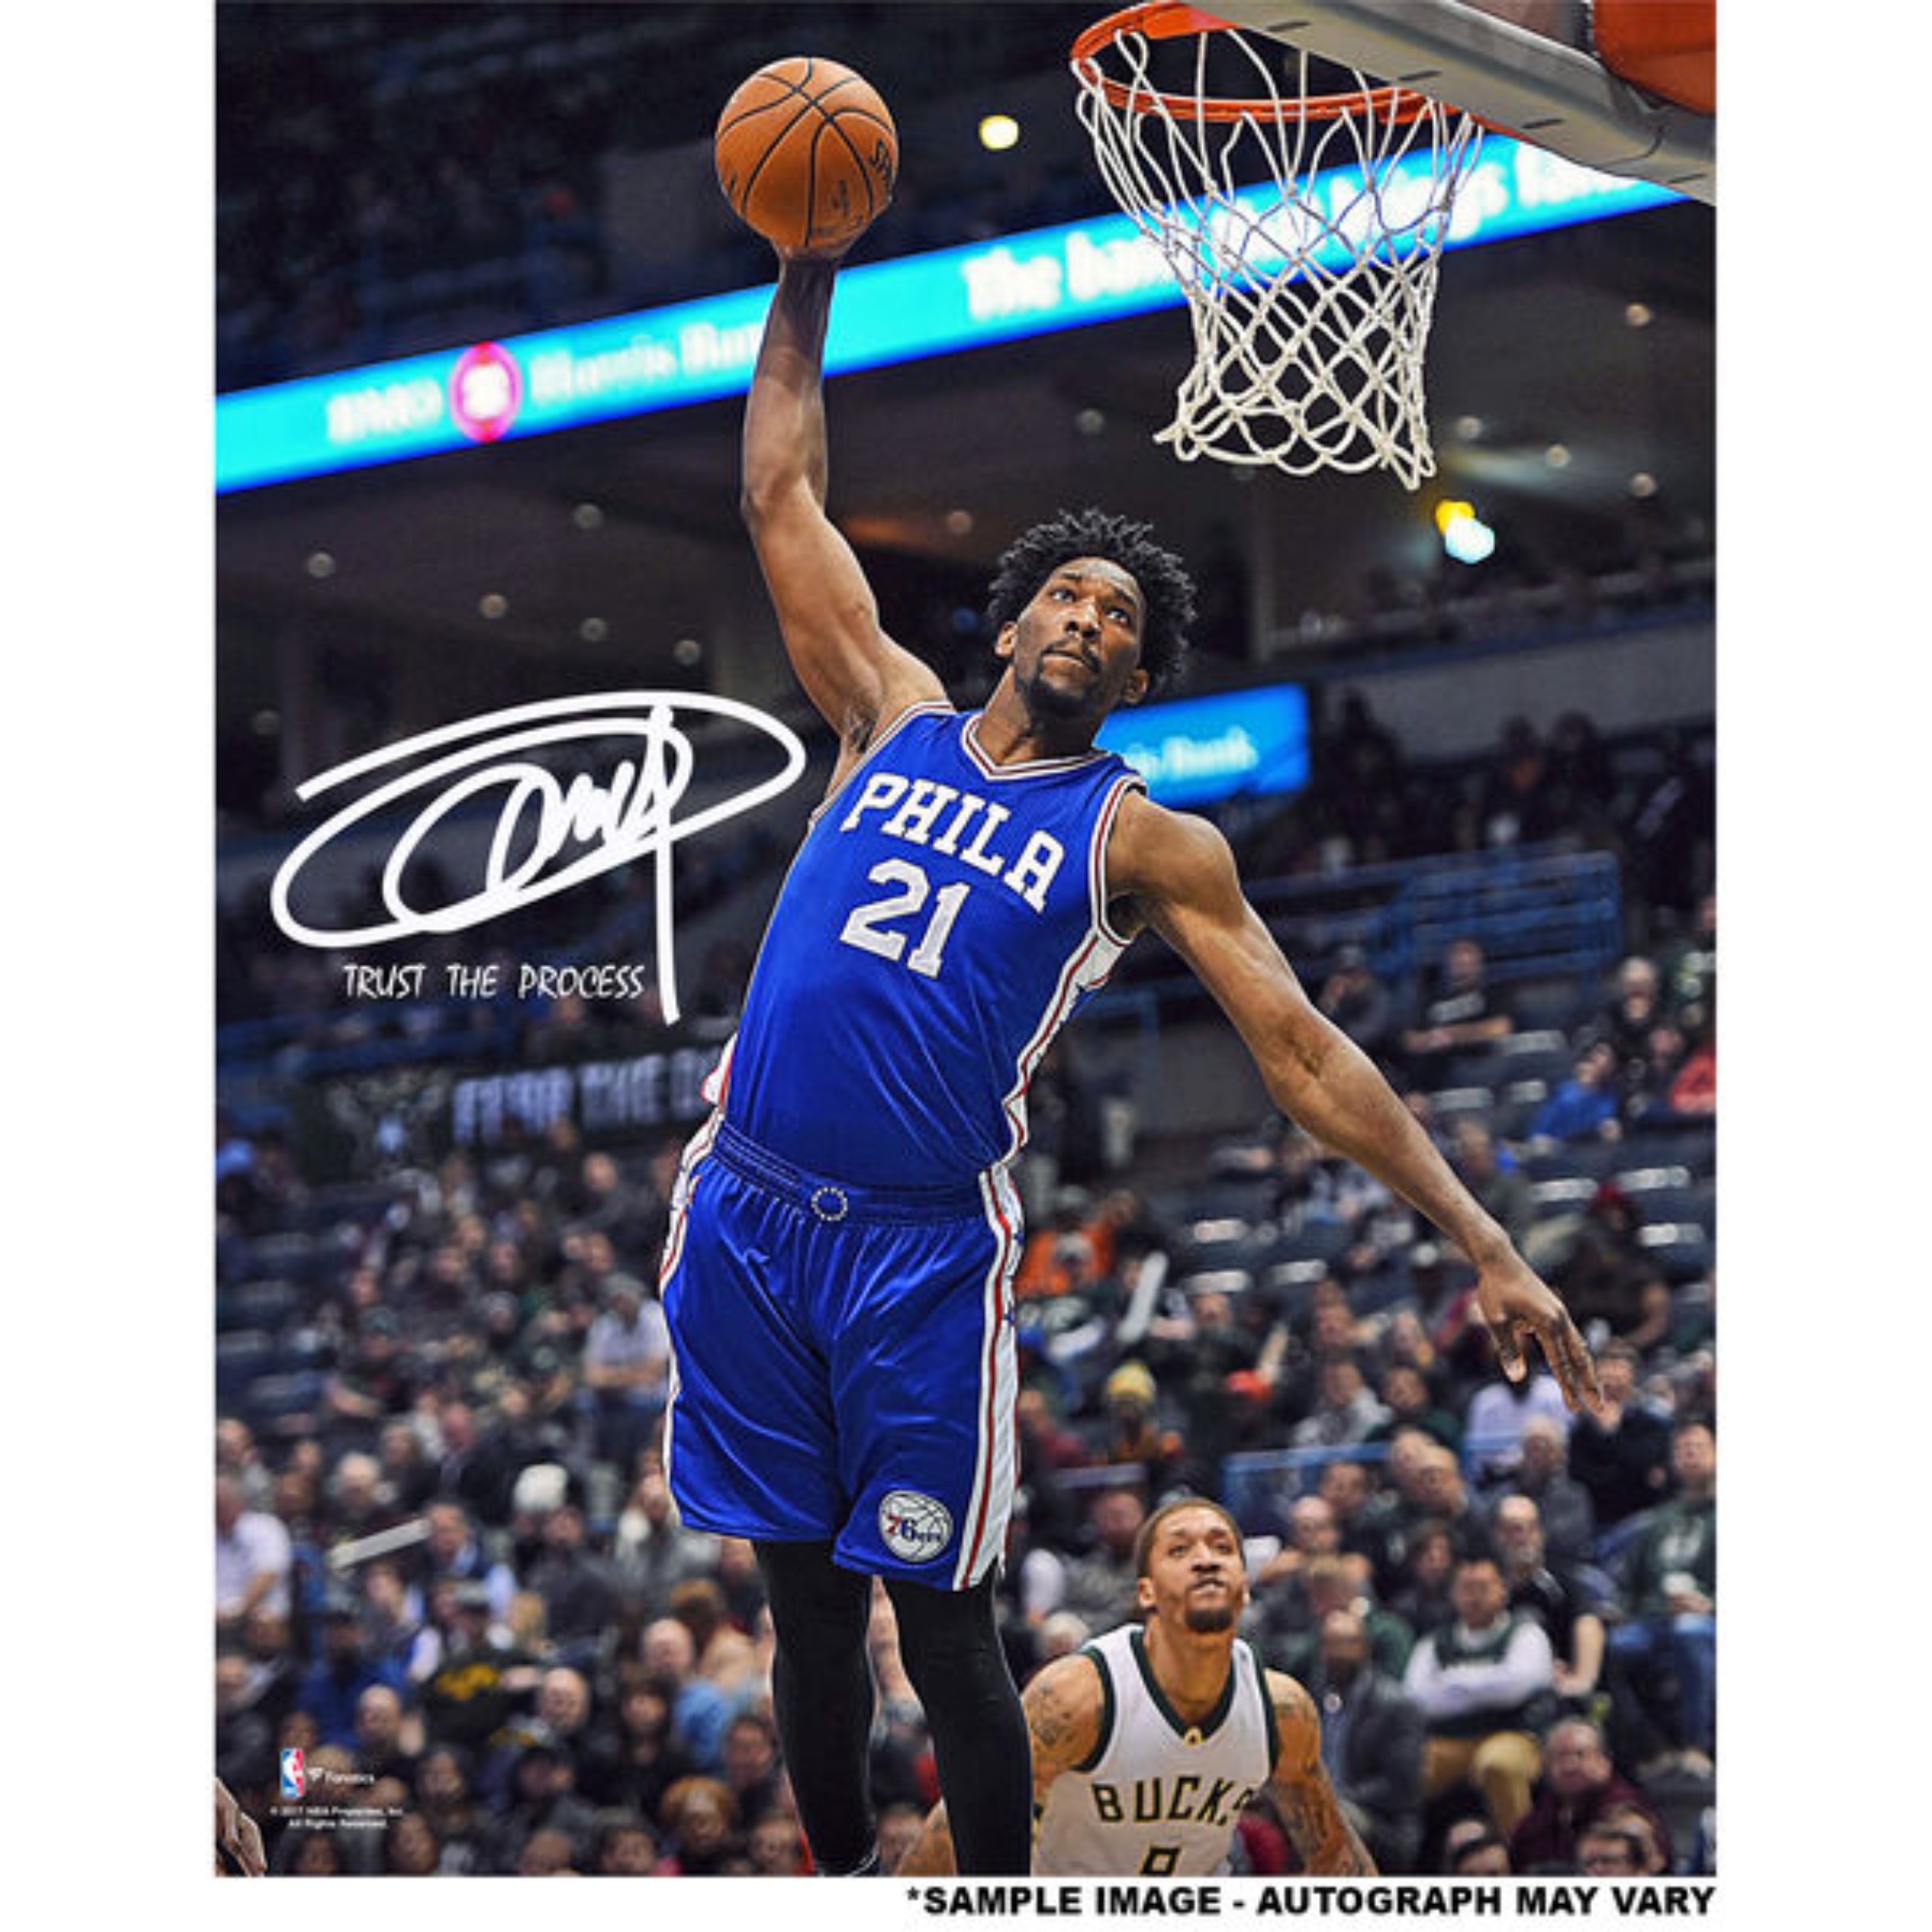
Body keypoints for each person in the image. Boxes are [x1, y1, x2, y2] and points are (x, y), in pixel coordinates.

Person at [658, 242, 1602, 1879]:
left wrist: (1486, 1238)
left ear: (1137, 676)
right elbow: (778, 493)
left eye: (1119, 615)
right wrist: (804, 271)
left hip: (912, 1249)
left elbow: (1304, 1056)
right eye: (1068, 594)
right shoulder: (884, 709)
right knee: (802, 1612)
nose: (1088, 615)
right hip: (743, 1207)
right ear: (1012, 618)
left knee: (944, 1624)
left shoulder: (1142, 836)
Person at [898, 1498, 1374, 1876]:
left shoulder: (1281, 1711)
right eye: (1180, 1550)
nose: (1206, 1560)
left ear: (1246, 1587)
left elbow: (1334, 1856)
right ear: (1145, 1591)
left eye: (1222, 1548)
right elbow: (959, 1826)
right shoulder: (1079, 1698)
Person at [1402, 1554, 1555, 1838]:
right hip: (1448, 1740)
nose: (1474, 1598)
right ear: (1453, 1595)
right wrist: (1488, 1681)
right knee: (1403, 1769)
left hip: (1515, 1733)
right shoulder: (1435, 1641)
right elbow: (1418, 1698)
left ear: (1502, 1590)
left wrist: (1452, 1682)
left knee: (1498, 1765)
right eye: (1466, 1589)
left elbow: (1516, 1688)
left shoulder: (1526, 1633)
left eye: (1482, 1588)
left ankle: (1520, 1852)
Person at [1507, 1714, 1671, 1876]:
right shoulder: (1538, 1820)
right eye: (1560, 1757)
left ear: (1605, 1761)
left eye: (1581, 1755)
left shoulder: (1630, 1815)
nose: (1570, 1766)